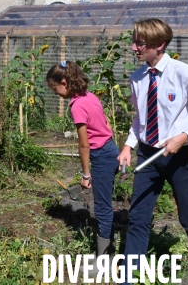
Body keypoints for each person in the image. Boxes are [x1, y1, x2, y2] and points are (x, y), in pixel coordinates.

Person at [117, 18, 188, 284]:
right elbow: (141, 119)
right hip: (148, 154)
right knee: (137, 218)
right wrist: (127, 146)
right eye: (134, 41)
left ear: (160, 45)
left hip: (180, 159)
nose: (134, 47)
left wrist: (184, 136)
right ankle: (129, 279)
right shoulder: (138, 78)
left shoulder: (185, 74)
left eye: (140, 43)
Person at [46, 60, 119, 265]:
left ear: (64, 82)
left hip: (101, 156)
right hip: (110, 148)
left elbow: (84, 145)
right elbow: (107, 124)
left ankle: (105, 259)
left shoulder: (77, 106)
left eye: (55, 89)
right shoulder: (90, 96)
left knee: (103, 207)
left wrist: (86, 174)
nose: (56, 94)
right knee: (104, 202)